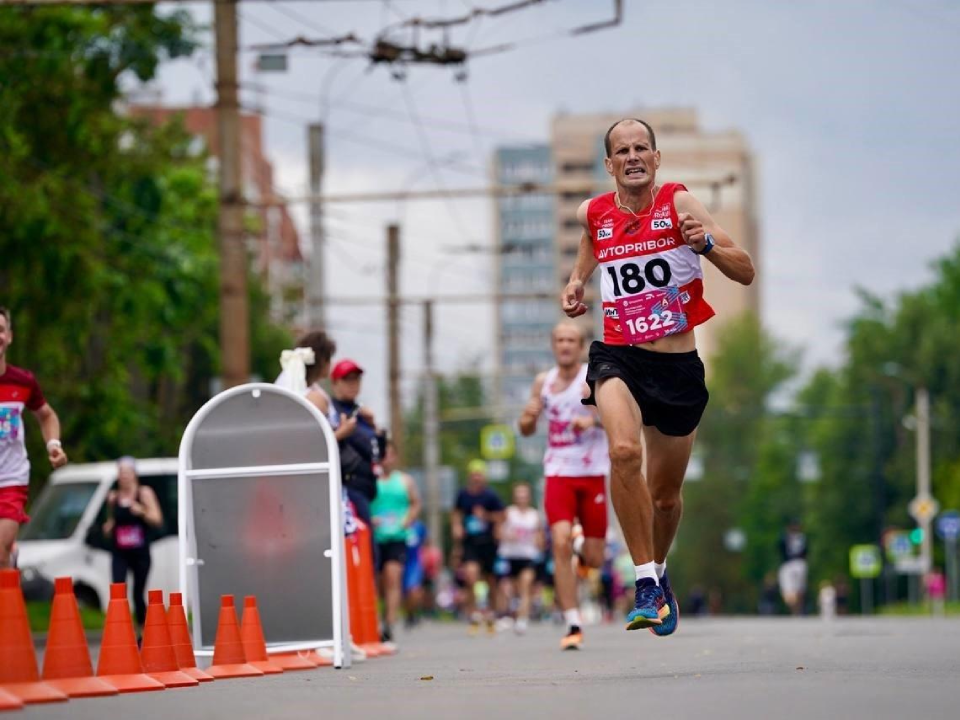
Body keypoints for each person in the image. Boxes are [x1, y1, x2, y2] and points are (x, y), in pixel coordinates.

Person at [560, 118, 755, 635]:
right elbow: (590, 236)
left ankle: (660, 573)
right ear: (609, 164)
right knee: (624, 452)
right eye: (621, 150)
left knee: (665, 497)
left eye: (640, 147)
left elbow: (745, 269)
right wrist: (578, 279)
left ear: (656, 157)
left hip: (676, 366)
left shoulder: (681, 204)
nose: (632, 156)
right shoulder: (595, 210)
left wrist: (706, 244)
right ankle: (644, 581)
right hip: (619, 356)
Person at [518, 321, 610, 650]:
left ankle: (581, 540)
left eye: (571, 340)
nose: (565, 345)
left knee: (596, 558)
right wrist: (528, 418)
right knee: (558, 541)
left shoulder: (594, 378)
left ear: (581, 345)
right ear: (553, 345)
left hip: (592, 471)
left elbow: (618, 417)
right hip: (558, 471)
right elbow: (526, 428)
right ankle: (572, 621)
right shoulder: (544, 382)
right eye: (560, 340)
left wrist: (592, 419)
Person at [0, 306, 68, 569]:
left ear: (9, 336)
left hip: (10, 479)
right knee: (3, 558)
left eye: (1, 330)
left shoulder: (23, 382)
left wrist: (53, 445)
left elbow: (47, 415)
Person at [102, 457, 163, 627]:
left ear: (134, 474)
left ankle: (143, 630)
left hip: (140, 552)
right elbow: (112, 520)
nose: (124, 476)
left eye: (127, 472)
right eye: (121, 473)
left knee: (138, 593)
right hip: (120, 552)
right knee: (118, 590)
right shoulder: (113, 497)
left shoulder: (144, 493)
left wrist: (142, 511)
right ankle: (121, 628)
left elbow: (157, 519)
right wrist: (109, 526)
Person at [370, 441, 421, 643]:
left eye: (390, 454)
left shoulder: (405, 480)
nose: (386, 458)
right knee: (379, 584)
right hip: (375, 536)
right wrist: (369, 518)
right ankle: (377, 618)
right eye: (383, 454)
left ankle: (389, 625)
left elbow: (416, 503)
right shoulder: (371, 479)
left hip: (398, 537)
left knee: (393, 578)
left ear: (395, 457)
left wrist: (408, 519)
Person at [330, 359, 385, 535]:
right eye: (348, 379)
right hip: (348, 488)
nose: (353, 384)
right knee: (366, 549)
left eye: (357, 379)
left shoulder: (361, 413)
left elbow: (379, 454)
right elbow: (366, 447)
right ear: (335, 382)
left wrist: (374, 426)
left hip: (366, 491)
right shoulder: (332, 410)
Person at [451, 459, 504, 634]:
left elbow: (501, 517)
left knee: (491, 581)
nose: (476, 478)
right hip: (470, 543)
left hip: (488, 542)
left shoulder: (491, 496)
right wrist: (457, 527)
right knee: (470, 577)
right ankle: (473, 614)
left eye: (479, 475)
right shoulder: (463, 495)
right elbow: (456, 513)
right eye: (474, 475)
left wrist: (486, 516)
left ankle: (491, 613)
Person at [495, 483, 544, 635]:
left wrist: (539, 542)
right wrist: (506, 536)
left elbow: (540, 536)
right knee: (505, 588)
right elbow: (496, 531)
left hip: (527, 556)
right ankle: (504, 615)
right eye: (518, 494)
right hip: (508, 555)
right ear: (514, 496)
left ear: (528, 496)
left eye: (524, 494)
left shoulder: (534, 515)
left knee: (526, 585)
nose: (521, 497)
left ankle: (522, 620)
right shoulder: (508, 512)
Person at [778, 519, 808, 615]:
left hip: (791, 563)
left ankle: (796, 609)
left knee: (794, 589)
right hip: (797, 563)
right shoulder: (801, 538)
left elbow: (780, 549)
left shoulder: (788, 538)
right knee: (796, 589)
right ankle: (796, 608)